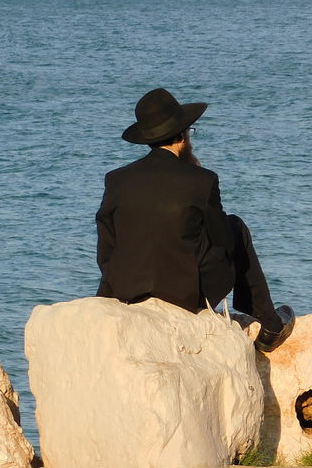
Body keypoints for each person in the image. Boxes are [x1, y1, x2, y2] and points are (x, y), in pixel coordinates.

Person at [95, 87, 294, 352]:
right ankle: (270, 324)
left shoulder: (117, 179)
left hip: (125, 289)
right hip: (183, 294)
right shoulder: (202, 180)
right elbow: (222, 240)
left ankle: (268, 321)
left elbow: (107, 246)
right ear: (182, 136)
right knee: (235, 227)